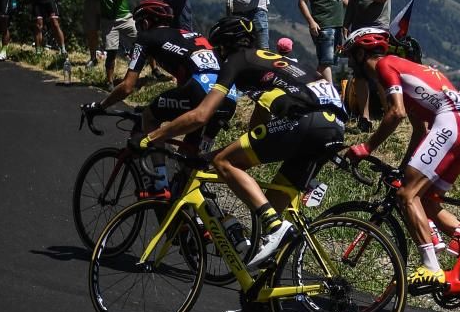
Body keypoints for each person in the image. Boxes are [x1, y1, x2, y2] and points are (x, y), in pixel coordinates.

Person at [133, 16, 347, 269]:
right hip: (334, 126)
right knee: (274, 199)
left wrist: (151, 137)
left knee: (224, 162)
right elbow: (260, 122)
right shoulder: (270, 60)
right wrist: (243, 152)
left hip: (307, 121)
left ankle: (275, 227)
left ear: (225, 47)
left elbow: (202, 114)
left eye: (218, 50)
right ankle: (265, 288)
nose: (218, 57)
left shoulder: (237, 60)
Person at [341, 27, 460, 290]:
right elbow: (419, 129)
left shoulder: (384, 65)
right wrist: (404, 169)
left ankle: (430, 266)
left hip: (449, 124)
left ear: (360, 53)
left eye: (350, 56)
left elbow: (396, 113)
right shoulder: (406, 66)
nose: (349, 63)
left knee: (406, 196)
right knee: (424, 198)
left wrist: (366, 147)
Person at [83, 0, 237, 196]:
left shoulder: (147, 37)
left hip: (201, 92)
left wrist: (101, 105)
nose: (139, 30)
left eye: (139, 25)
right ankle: (202, 220)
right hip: (229, 96)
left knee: (150, 116)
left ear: (145, 23)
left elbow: (127, 86)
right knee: (187, 167)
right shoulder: (188, 35)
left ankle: (159, 183)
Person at [342, 0, 392, 133]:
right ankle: (365, 117)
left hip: (377, 26)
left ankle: (390, 111)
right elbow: (352, 3)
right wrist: (346, 25)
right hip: (358, 29)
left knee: (378, 71)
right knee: (360, 73)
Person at [298, 0, 346, 85]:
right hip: (324, 25)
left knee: (328, 61)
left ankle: (311, 86)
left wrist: (358, 9)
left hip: (338, 25)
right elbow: (301, 2)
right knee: (325, 62)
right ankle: (331, 94)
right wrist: (311, 22)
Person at [97, 0, 137, 87]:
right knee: (111, 52)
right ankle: (109, 81)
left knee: (142, 41)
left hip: (124, 17)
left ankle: (154, 68)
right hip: (108, 21)